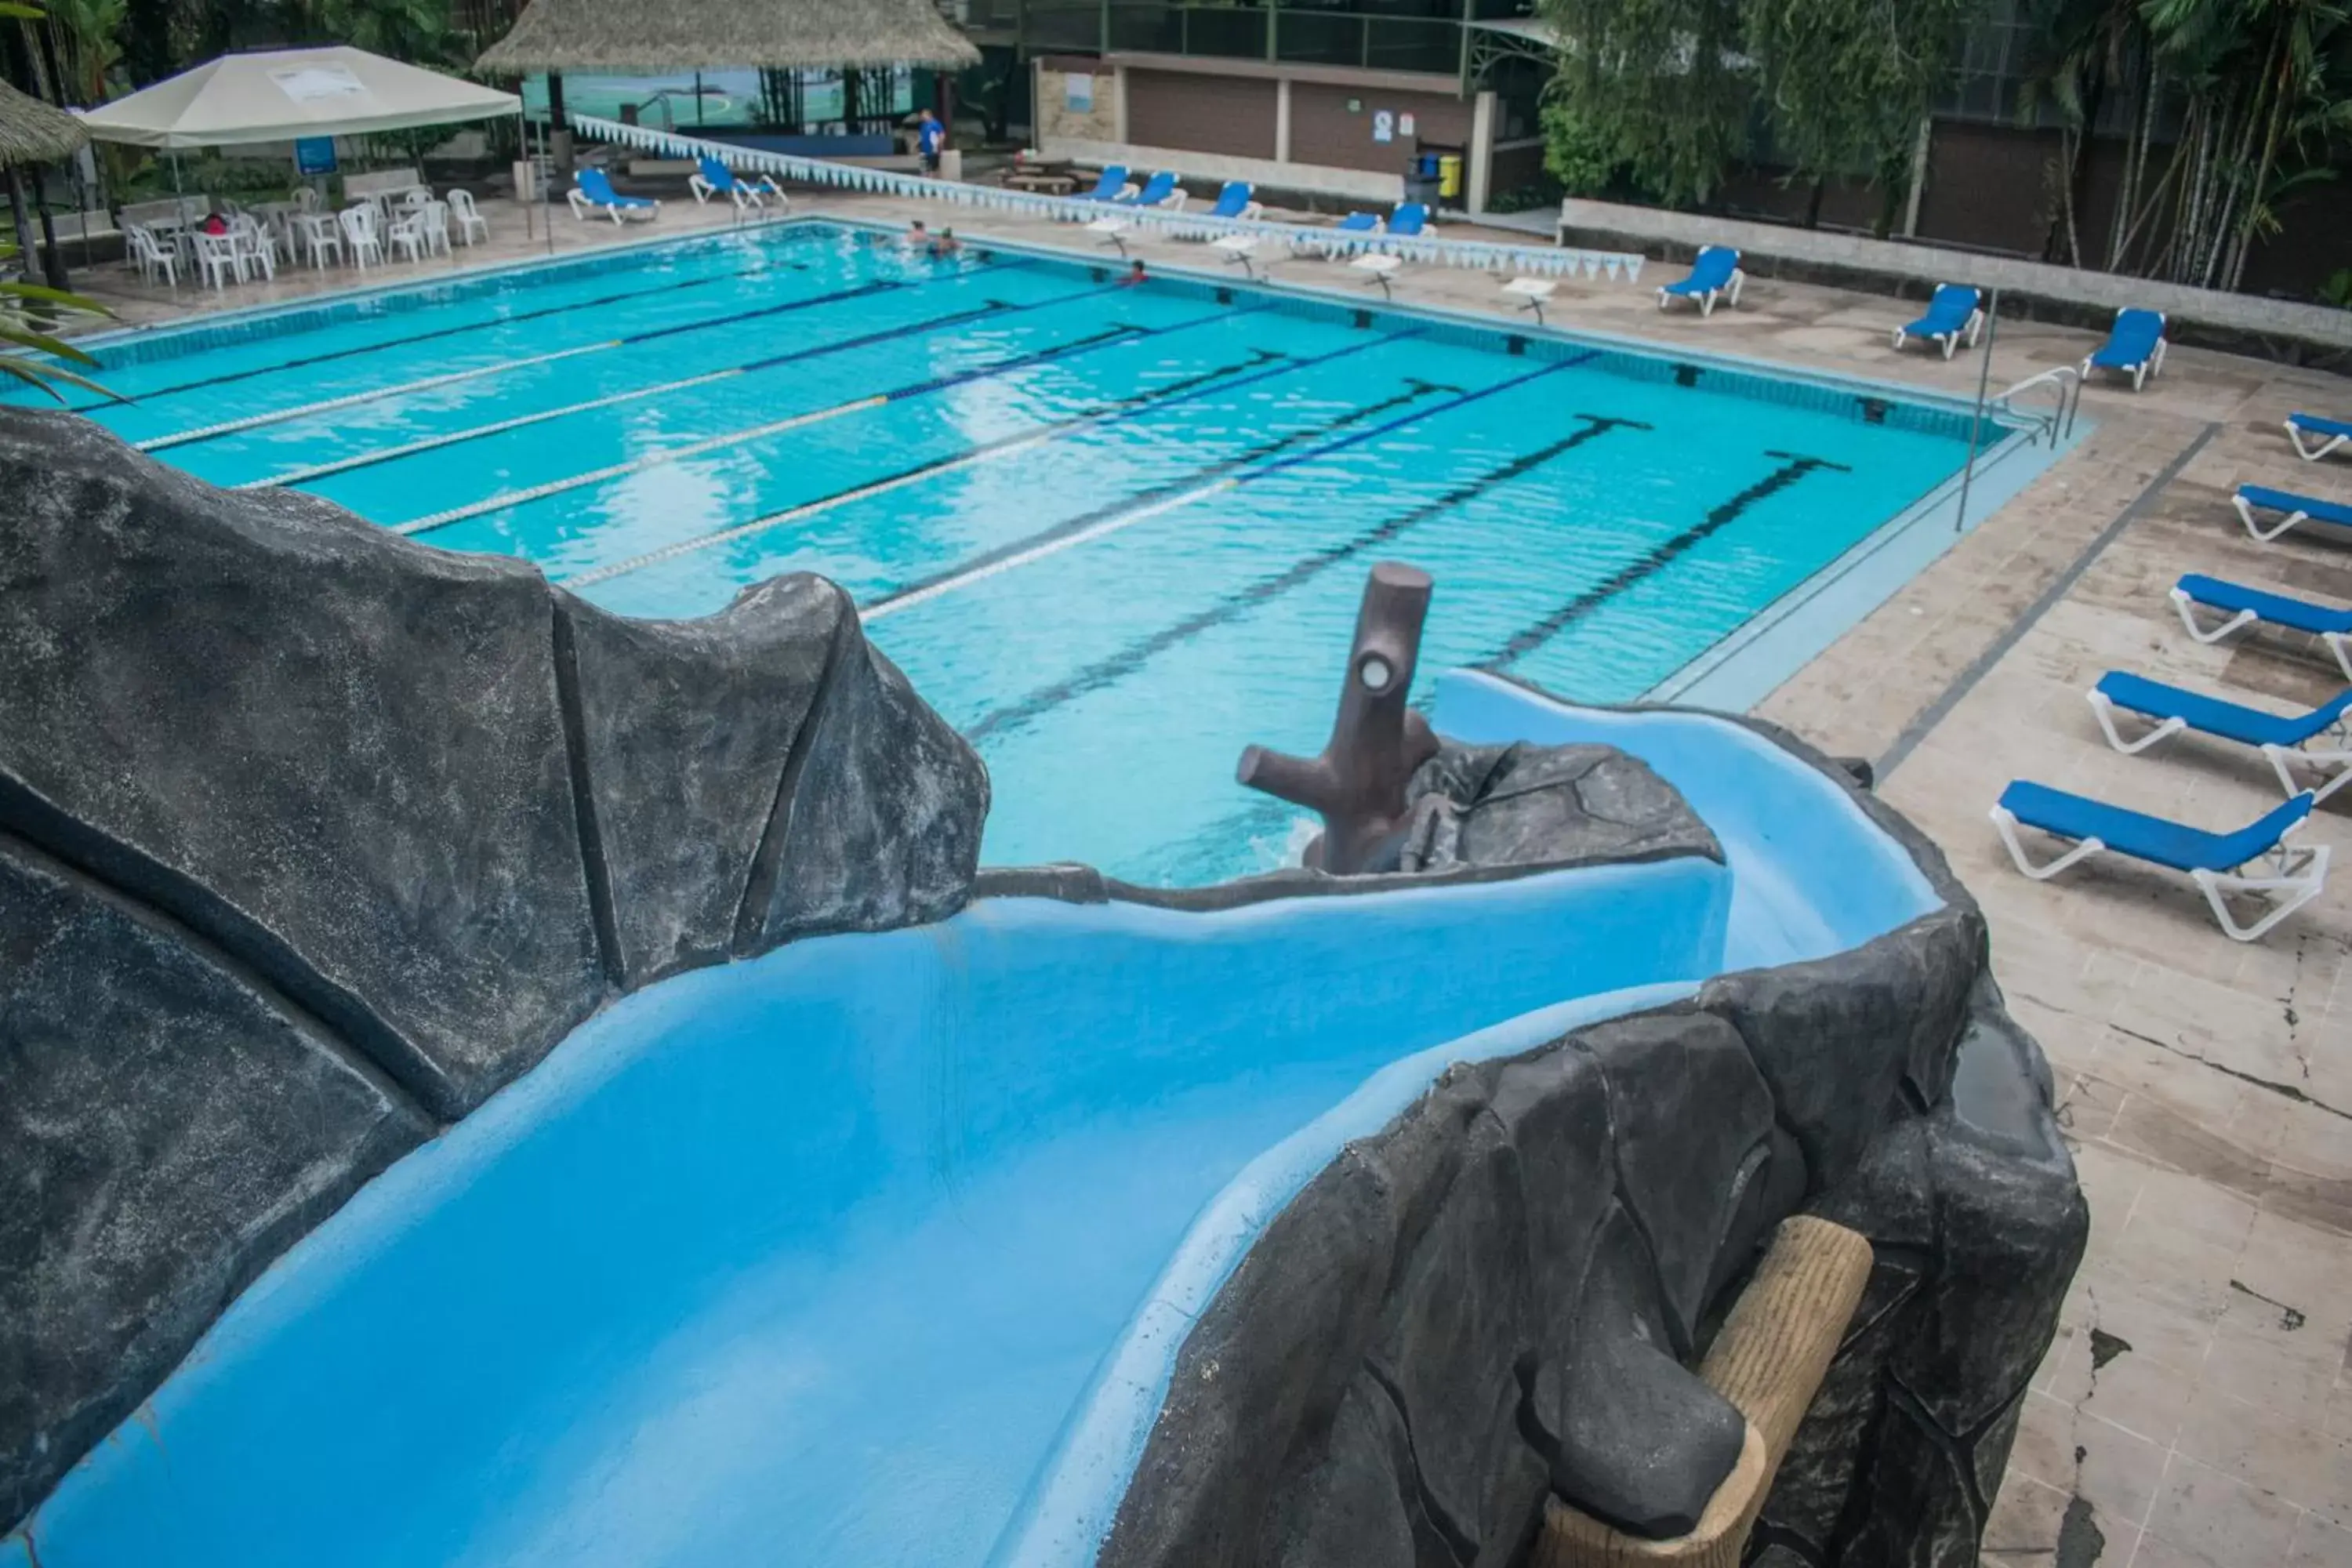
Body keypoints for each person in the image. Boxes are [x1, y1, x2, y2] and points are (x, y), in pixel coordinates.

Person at [915, 108, 945, 176]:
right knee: (924, 167)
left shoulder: (935, 124)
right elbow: (921, 136)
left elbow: (941, 134)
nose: (922, 117)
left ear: (929, 115)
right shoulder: (923, 125)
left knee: (933, 167)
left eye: (924, 115)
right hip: (924, 149)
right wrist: (918, 145)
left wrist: (940, 145)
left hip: (933, 149)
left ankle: (934, 179)